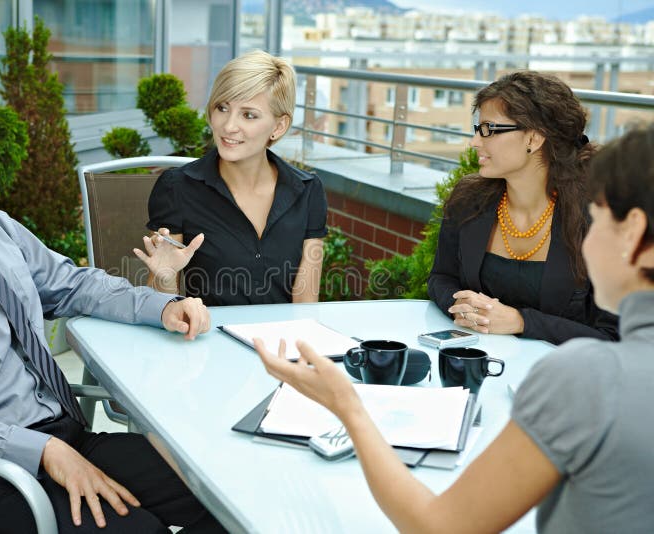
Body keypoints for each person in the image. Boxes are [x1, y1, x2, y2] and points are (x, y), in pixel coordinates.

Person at [0, 67, 224, 533]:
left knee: (225, 488)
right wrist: (42, 452)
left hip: (63, 438)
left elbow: (70, 283)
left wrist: (164, 307)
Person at [256, 123, 654, 532]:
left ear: (634, 231)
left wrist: (348, 407)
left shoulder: (589, 380)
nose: (583, 239)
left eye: (597, 219)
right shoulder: (475, 203)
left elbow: (441, 528)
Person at [427, 71, 618, 345]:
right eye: (477, 129)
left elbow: (613, 336)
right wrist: (466, 308)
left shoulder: (600, 218)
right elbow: (442, 277)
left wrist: (521, 322)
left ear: (534, 139)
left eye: (489, 130)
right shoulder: (469, 199)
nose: (475, 142)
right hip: (481, 362)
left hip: (566, 377)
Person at [134, 50, 328, 306]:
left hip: (279, 343)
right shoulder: (177, 188)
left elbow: (305, 300)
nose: (228, 126)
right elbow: (160, 306)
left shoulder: (307, 191)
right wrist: (166, 278)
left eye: (248, 115)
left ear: (279, 126)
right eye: (222, 108)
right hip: (206, 340)